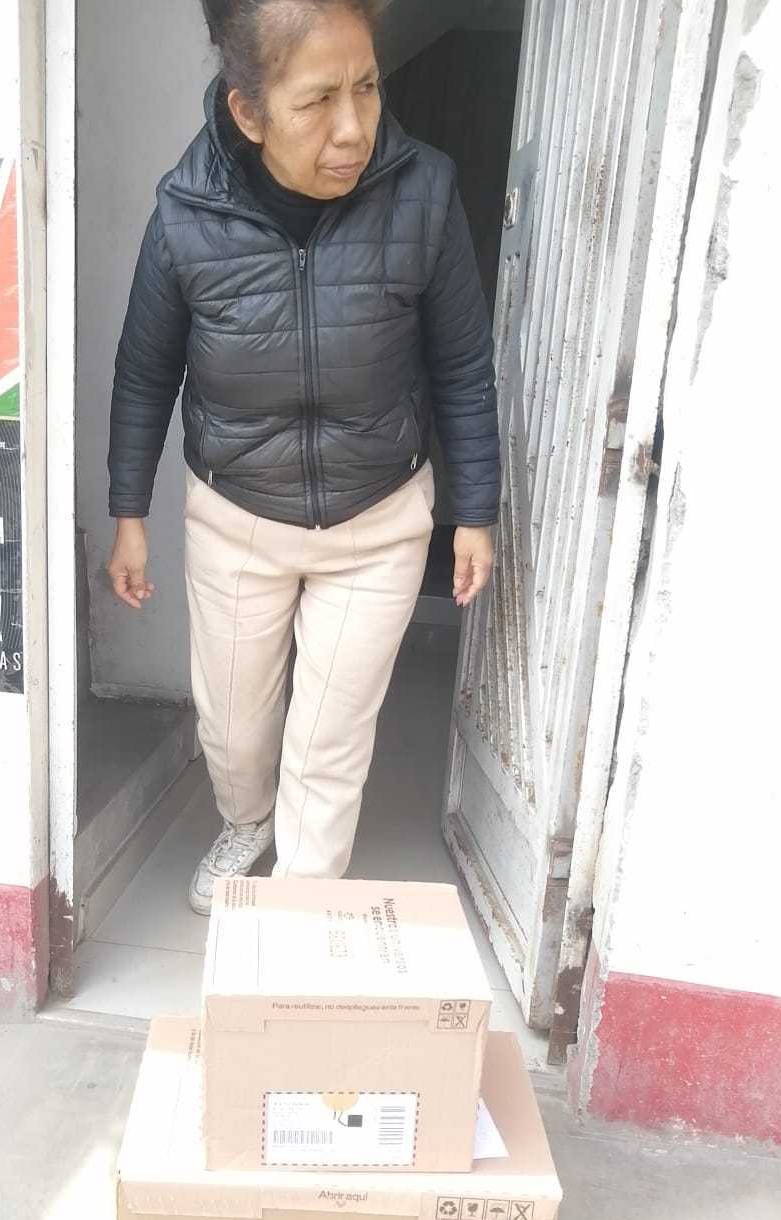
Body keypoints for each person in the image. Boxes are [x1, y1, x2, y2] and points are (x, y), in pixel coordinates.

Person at [107, 0, 501, 914]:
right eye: (318, 100)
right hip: (236, 518)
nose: (353, 128)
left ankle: (296, 916)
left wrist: (474, 511)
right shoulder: (186, 213)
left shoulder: (424, 191)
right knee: (235, 728)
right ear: (249, 113)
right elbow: (144, 371)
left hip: (378, 520)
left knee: (330, 741)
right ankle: (246, 820)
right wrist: (129, 513)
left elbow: (461, 363)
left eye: (366, 87)